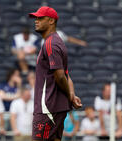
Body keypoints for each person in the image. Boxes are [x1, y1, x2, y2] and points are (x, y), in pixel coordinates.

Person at [28, 6, 82, 141]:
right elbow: (66, 74)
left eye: (40, 18)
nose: (36, 21)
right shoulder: (56, 41)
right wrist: (71, 94)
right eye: (36, 18)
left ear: (51, 21)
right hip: (54, 107)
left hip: (48, 108)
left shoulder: (51, 44)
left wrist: (70, 95)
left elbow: (60, 76)